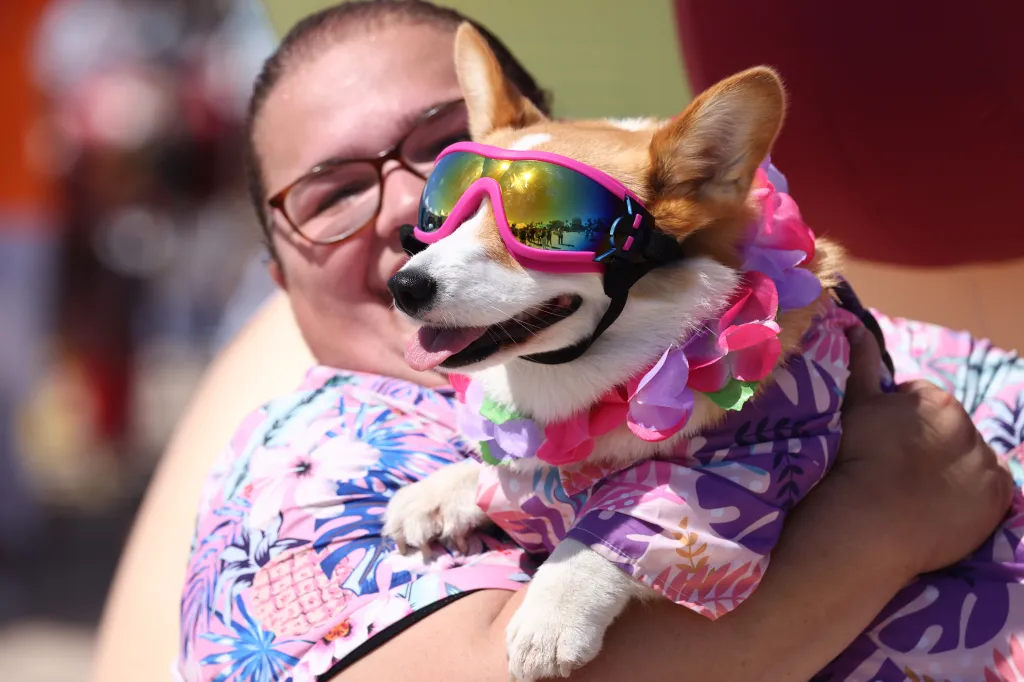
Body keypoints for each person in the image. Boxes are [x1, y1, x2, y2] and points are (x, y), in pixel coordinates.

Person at [89, 3, 1022, 682]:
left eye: (455, 150)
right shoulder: (303, 465)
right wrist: (890, 514)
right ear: (274, 274)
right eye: (332, 193)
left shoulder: (758, 315)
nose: (422, 211)